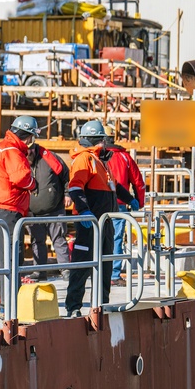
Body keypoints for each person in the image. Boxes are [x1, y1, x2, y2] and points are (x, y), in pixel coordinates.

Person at [0, 116, 38, 311]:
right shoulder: (13, 151)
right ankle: (10, 304)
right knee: (12, 257)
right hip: (8, 210)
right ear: (28, 136)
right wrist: (33, 184)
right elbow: (21, 177)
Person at [63, 120, 117, 317]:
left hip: (104, 222)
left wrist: (129, 200)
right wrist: (84, 210)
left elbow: (112, 188)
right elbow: (76, 187)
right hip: (90, 223)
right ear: (98, 141)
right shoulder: (85, 159)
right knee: (83, 264)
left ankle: (101, 304)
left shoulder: (101, 162)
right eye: (104, 141)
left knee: (105, 263)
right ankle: (73, 306)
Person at [104, 128, 146, 284]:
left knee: (97, 236)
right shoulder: (124, 157)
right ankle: (114, 275)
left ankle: (96, 270)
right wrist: (138, 202)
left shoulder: (94, 157)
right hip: (119, 205)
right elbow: (138, 182)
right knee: (116, 239)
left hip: (99, 204)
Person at [27, 141, 70, 280]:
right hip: (33, 211)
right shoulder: (19, 159)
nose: (27, 154)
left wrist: (67, 194)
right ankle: (39, 271)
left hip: (55, 208)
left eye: (29, 151)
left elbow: (65, 175)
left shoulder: (49, 157)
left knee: (59, 239)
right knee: (37, 241)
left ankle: (66, 270)